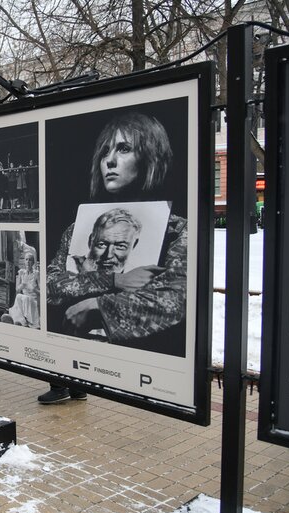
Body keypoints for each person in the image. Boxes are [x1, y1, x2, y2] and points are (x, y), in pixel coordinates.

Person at [41, 111, 186, 404]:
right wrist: (116, 280)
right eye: (105, 151)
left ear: (150, 157)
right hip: (72, 350)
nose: (109, 160)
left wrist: (96, 305)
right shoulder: (79, 227)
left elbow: (172, 301)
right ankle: (66, 384)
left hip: (142, 374)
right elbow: (50, 285)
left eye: (123, 148)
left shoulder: (178, 230)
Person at [1, 248, 40, 328]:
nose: (28, 262)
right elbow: (17, 290)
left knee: (25, 298)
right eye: (26, 260)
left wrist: (33, 288)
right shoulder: (22, 273)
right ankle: (19, 320)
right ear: (24, 261)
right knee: (19, 296)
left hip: (32, 300)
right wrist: (22, 284)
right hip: (24, 299)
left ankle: (26, 321)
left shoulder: (37, 274)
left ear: (33, 262)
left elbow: (42, 292)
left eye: (30, 260)